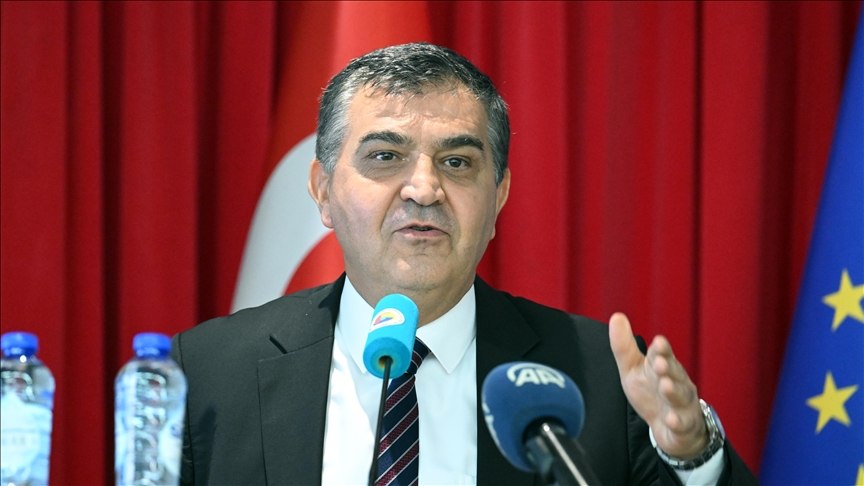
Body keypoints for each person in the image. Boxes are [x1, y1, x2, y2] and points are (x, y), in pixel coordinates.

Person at [171, 43, 758, 485]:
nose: (424, 189)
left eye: (456, 162)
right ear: (323, 191)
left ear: (498, 196)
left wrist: (693, 455)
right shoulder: (208, 373)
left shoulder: (597, 378)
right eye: (385, 156)